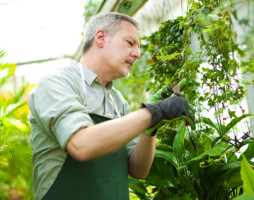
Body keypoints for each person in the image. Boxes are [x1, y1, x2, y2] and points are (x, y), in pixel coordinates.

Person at [28, 12, 194, 200]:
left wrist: (151, 128)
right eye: (130, 43)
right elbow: (81, 145)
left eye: (138, 47)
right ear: (101, 38)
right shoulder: (58, 82)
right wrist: (153, 113)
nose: (137, 54)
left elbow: (139, 170)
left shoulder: (117, 100)